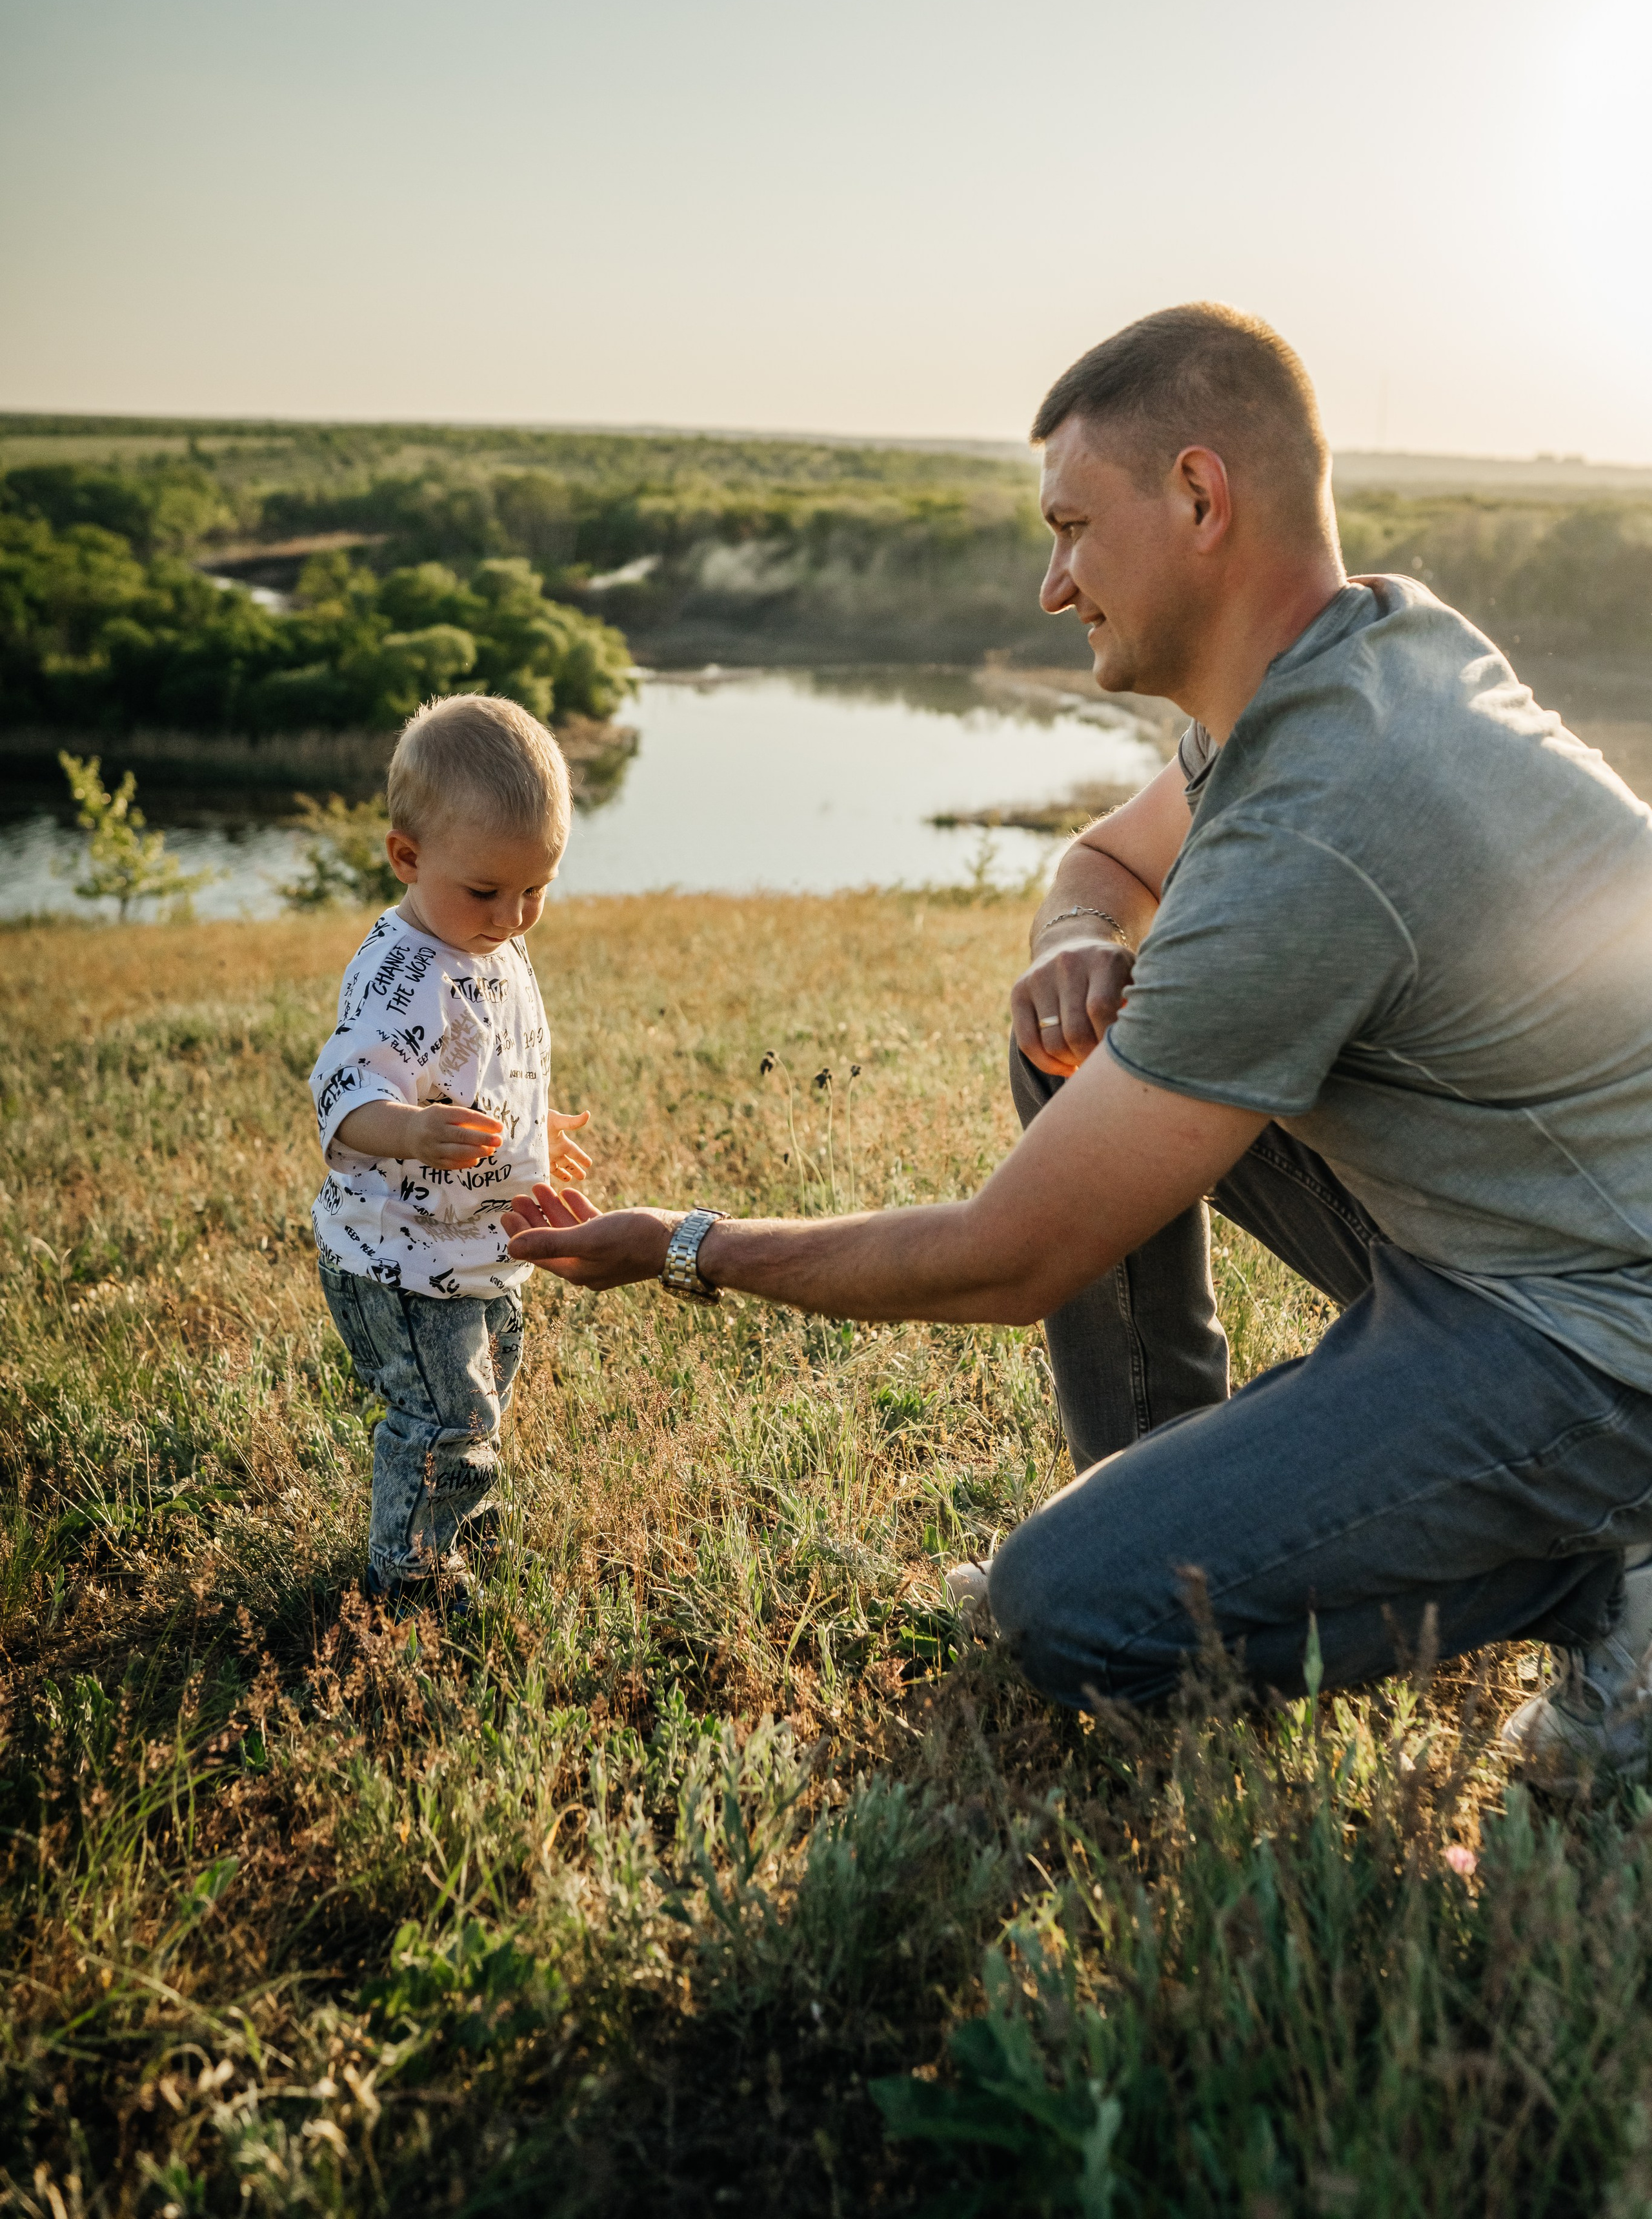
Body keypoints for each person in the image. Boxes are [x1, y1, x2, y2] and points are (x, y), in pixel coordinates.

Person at [503, 305, 1652, 1790]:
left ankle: (1605, 1580)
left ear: (1196, 496)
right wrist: (1073, 942)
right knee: (1076, 1047)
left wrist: (683, 1246)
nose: (1051, 586)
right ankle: (1155, 1478)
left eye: (1069, 530)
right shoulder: (1364, 650)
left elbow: (1012, 1257)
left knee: (1070, 1611)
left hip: (1597, 1334)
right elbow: (1102, 861)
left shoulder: (1318, 822)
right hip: (1532, 1223)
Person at [307, 693, 592, 1616]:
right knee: (444, 1415)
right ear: (407, 857)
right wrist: (407, 1130)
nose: (514, 915)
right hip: (399, 1255)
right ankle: (409, 1577)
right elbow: (341, 1092)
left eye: (537, 890)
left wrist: (531, 1135)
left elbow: (490, 1068)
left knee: (487, 1383)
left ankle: (458, 1517)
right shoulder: (399, 972)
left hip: (476, 1243)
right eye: (487, 891)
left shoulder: (488, 944)